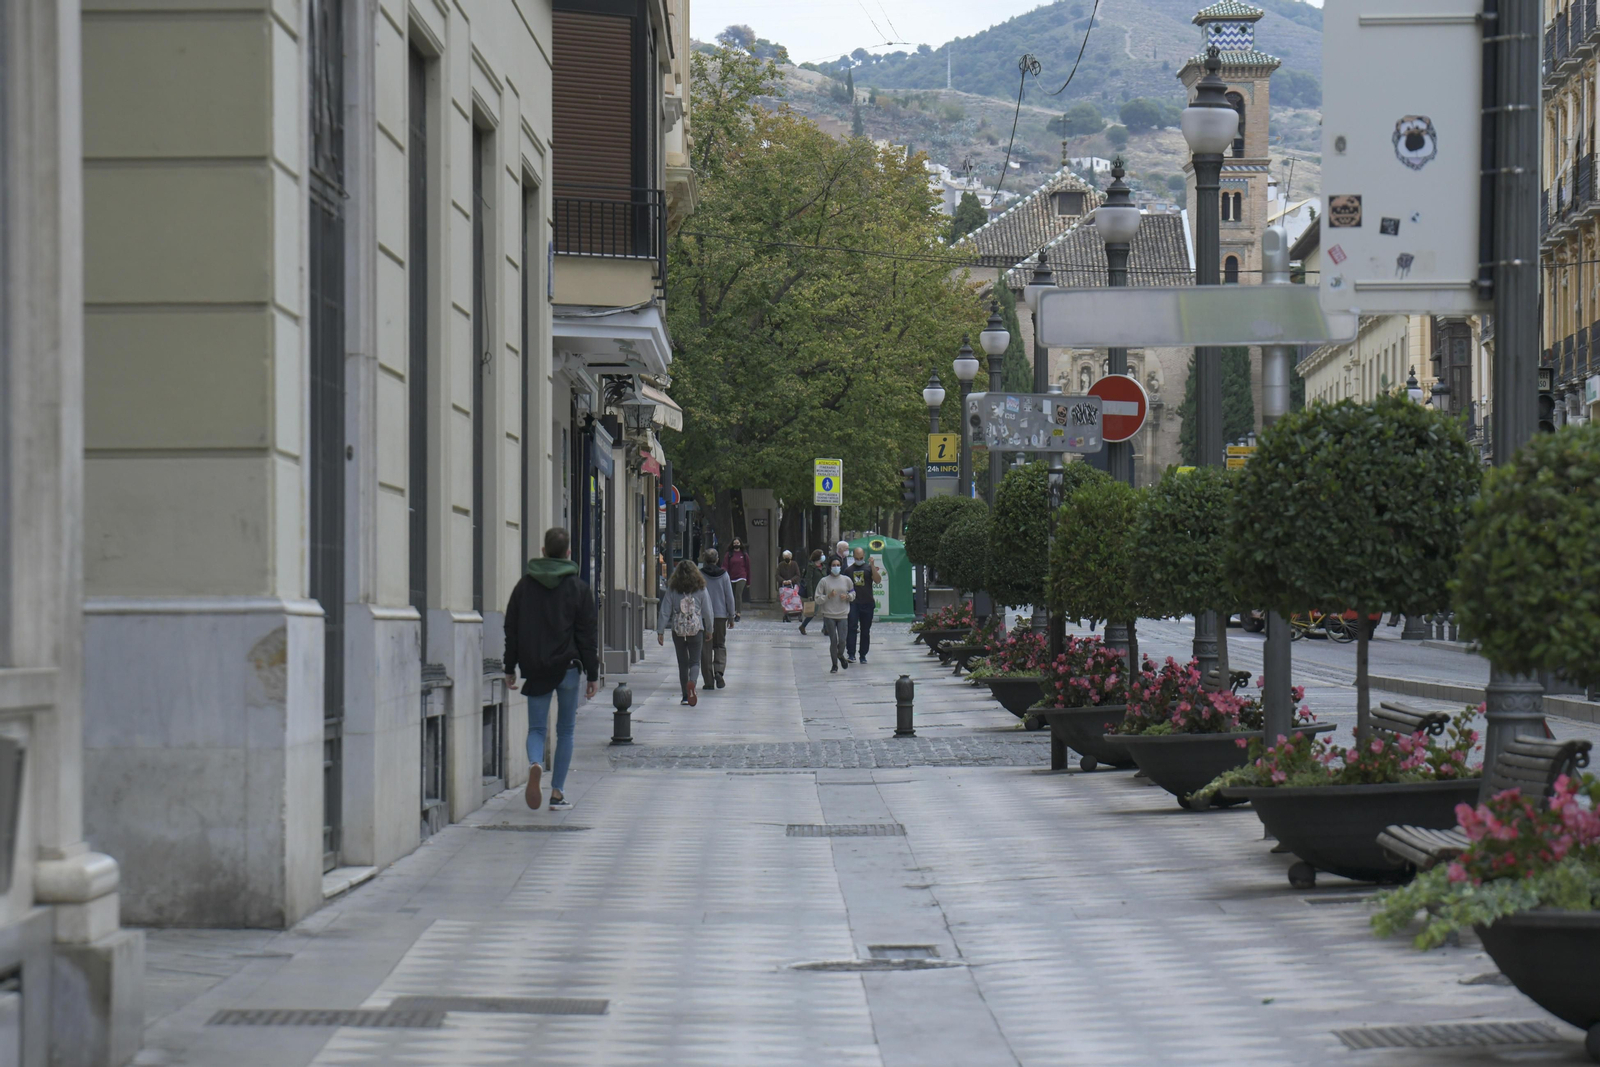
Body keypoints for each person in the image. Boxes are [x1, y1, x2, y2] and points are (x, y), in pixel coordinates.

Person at [503, 526, 599, 811]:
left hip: (537, 668)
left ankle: (535, 764)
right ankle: (557, 792)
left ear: (543, 552)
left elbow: (512, 629)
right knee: (566, 731)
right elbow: (587, 635)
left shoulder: (524, 587)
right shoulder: (579, 589)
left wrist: (510, 666)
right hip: (569, 668)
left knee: (536, 728)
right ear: (568, 553)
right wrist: (592, 673)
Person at [657, 559, 714, 705]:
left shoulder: (673, 589)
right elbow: (707, 611)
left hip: (678, 630)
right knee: (695, 661)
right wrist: (709, 629)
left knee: (682, 663)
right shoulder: (701, 588)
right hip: (696, 629)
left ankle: (684, 696)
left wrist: (660, 631)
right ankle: (692, 683)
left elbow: (665, 610)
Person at [698, 548, 735, 690]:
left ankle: (708, 681)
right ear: (717, 559)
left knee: (705, 648)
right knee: (719, 644)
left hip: (703, 616)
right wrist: (731, 616)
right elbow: (729, 597)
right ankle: (719, 672)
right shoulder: (724, 575)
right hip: (720, 615)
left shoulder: (700, 575)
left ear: (704, 560)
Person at [813, 556, 856, 672]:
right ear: (829, 566)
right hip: (829, 614)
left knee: (842, 640)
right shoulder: (824, 581)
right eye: (833, 565)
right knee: (833, 640)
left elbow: (853, 594)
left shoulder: (847, 580)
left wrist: (847, 596)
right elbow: (817, 598)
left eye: (838, 565)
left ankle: (840, 654)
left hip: (843, 614)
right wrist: (828, 596)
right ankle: (834, 665)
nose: (836, 567)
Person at [845, 546, 882, 664]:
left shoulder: (868, 568)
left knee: (865, 630)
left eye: (861, 557)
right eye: (857, 558)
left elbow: (877, 580)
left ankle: (863, 655)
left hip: (867, 602)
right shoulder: (848, 570)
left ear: (864, 556)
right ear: (853, 557)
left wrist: (872, 565)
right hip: (854, 603)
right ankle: (851, 653)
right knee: (852, 628)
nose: (859, 559)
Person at [798, 549, 827, 635]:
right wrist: (810, 594)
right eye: (822, 554)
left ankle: (825, 628)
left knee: (826, 611)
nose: (823, 556)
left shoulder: (823, 566)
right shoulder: (811, 566)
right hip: (815, 591)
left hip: (824, 591)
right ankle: (803, 625)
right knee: (813, 611)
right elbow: (809, 580)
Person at [725, 539, 750, 621]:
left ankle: (738, 613)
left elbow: (748, 568)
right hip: (731, 577)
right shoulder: (729, 554)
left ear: (740, 544)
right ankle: (731, 611)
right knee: (731, 595)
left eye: (738, 543)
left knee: (738, 594)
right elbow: (725, 566)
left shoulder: (744, 555)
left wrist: (748, 581)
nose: (736, 544)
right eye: (735, 543)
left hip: (741, 577)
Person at [776, 550, 802, 621]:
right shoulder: (781, 565)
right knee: (785, 601)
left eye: (787, 557)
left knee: (795, 600)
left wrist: (791, 580)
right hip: (784, 586)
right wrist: (783, 581)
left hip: (793, 585)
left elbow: (797, 575)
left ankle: (797, 612)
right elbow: (777, 575)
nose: (786, 559)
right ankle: (787, 613)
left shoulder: (794, 564)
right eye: (785, 557)